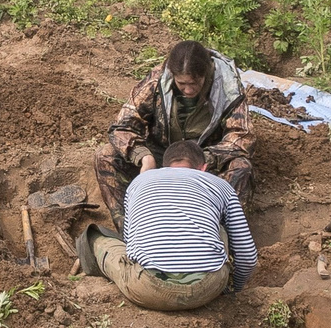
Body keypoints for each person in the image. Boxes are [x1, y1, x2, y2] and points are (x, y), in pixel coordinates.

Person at [77, 140, 256, 311]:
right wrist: (233, 290)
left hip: (147, 289)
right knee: (219, 227)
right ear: (203, 168)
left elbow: (131, 249)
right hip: (208, 288)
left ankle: (90, 273)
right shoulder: (221, 186)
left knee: (94, 236)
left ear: (165, 167)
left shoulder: (139, 183)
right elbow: (247, 256)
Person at [98, 40, 253, 219]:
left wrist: (203, 161)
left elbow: (242, 137)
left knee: (241, 167)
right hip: (162, 155)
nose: (188, 90)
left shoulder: (228, 87)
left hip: (204, 160)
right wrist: (143, 157)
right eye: (182, 84)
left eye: (194, 83)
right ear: (173, 75)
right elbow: (123, 125)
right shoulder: (157, 81)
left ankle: (218, 233)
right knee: (106, 156)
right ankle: (131, 229)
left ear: (207, 73)